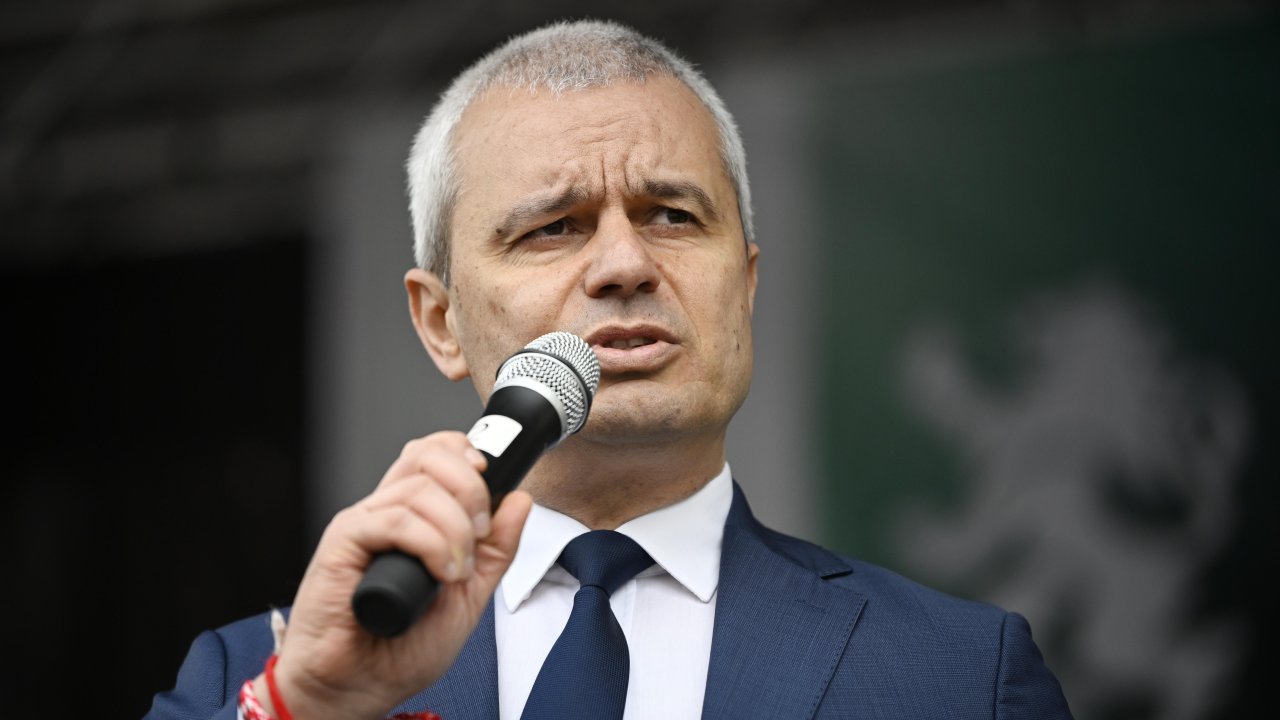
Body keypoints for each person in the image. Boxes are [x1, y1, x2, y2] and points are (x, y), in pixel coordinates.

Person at [147, 19, 1072, 720]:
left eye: (673, 215)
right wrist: (305, 707)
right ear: (441, 322)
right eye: (554, 228)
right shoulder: (253, 682)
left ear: (745, 287)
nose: (625, 265)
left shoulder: (960, 676)